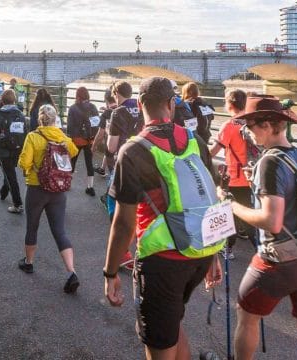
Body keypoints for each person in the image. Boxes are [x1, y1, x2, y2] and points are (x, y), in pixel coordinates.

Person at [103, 77, 223, 360]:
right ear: (171, 103)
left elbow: (124, 223)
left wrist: (110, 272)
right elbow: (210, 197)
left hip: (162, 261)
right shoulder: (196, 141)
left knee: (159, 343)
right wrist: (213, 254)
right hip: (199, 252)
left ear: (141, 105)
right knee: (172, 322)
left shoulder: (133, 150)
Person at [218, 95, 297, 360]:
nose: (246, 132)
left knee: (246, 312)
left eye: (249, 126)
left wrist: (232, 206)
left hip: (280, 261)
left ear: (267, 125)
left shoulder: (269, 162)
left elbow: (271, 221)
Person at [17, 104, 81, 293]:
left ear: (39, 119)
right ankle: (71, 272)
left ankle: (28, 262)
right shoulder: (62, 137)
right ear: (55, 120)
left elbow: (24, 162)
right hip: (58, 190)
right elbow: (74, 151)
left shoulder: (33, 136)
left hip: (37, 189)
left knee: (32, 226)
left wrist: (30, 169)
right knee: (60, 231)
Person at [208, 89, 258, 260]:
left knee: (231, 215)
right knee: (247, 212)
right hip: (254, 176)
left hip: (236, 177)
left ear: (229, 105)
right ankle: (257, 247)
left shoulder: (229, 125)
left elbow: (212, 152)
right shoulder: (253, 122)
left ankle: (235, 249)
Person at [105, 80, 142, 269]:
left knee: (114, 204)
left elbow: (112, 147)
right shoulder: (141, 107)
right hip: (144, 161)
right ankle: (140, 248)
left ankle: (122, 252)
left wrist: (107, 134)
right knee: (140, 206)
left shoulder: (118, 112)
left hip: (124, 162)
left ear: (116, 93)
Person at [0, 89, 27, 213]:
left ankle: (18, 204)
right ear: (14, 100)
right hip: (18, 149)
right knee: (9, 172)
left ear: (2, 101)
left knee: (11, 176)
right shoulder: (20, 114)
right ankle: (3, 192)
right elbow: (25, 132)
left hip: (4, 150)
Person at [66, 86, 99, 197]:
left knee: (72, 161)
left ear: (77, 96)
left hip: (77, 139)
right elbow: (96, 124)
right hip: (90, 139)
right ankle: (90, 187)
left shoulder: (73, 108)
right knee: (89, 163)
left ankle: (68, 183)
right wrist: (93, 137)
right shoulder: (93, 107)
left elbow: (70, 127)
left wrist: (69, 139)